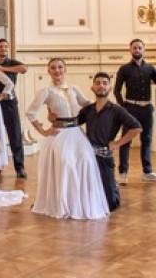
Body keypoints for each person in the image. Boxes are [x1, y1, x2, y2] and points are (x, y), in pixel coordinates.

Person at [26, 58, 109, 220]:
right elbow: (30, 112)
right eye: (53, 68)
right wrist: (43, 131)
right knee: (65, 164)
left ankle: (82, 202)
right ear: (49, 71)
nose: (57, 70)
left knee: (86, 160)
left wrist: (103, 101)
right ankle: (63, 204)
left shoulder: (74, 88)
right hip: (59, 135)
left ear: (65, 69)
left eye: (60, 67)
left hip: (77, 133)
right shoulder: (46, 91)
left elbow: (86, 104)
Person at [78, 72, 142, 211]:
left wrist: (118, 143)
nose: (101, 86)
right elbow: (72, 125)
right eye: (98, 83)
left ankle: (113, 187)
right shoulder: (87, 110)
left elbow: (137, 128)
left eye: (105, 83)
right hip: (88, 157)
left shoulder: (117, 110)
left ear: (110, 88)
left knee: (111, 203)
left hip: (105, 158)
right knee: (86, 197)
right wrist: (51, 116)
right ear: (92, 87)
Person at [114, 38, 156, 184]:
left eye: (139, 48)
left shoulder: (150, 68)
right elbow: (117, 90)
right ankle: (123, 173)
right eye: (134, 48)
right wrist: (124, 108)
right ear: (130, 50)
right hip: (130, 109)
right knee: (126, 140)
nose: (137, 50)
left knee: (147, 139)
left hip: (147, 109)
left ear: (144, 50)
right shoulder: (124, 69)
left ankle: (147, 172)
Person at [0, 38, 28, 179]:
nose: (3, 48)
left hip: (10, 103)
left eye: (5, 46)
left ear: (8, 49)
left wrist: (3, 69)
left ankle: (20, 168)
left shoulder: (12, 62)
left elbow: (24, 69)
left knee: (15, 135)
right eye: (0, 46)